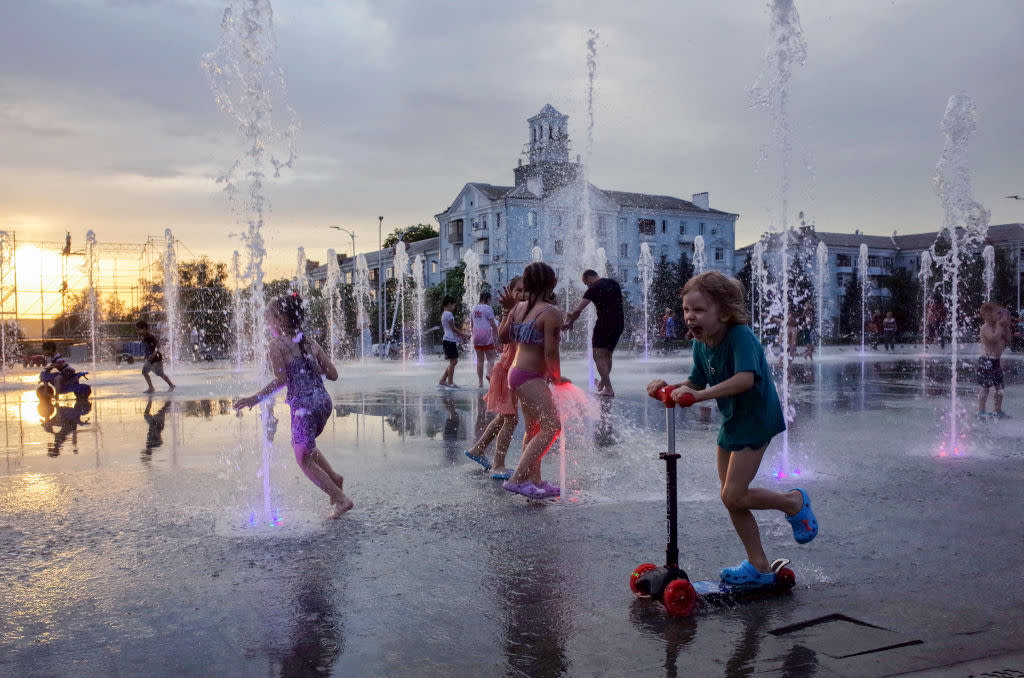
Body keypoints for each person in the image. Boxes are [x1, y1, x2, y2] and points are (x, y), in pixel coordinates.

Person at [646, 271, 817, 590]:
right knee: (731, 498)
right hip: (732, 419)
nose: (689, 316)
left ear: (723, 312)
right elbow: (696, 380)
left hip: (755, 419)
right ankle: (759, 565)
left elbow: (745, 380)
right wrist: (668, 387)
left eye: (698, 310)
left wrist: (699, 396)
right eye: (686, 310)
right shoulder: (701, 343)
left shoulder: (740, 337)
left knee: (733, 493)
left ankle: (792, 502)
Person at [234, 293, 353, 518]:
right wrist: (314, 370)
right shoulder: (309, 342)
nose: (266, 324)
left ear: (279, 319)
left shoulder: (276, 345)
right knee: (305, 445)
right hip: (323, 404)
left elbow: (281, 381)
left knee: (303, 459)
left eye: (267, 318)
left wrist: (254, 399)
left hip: (303, 408)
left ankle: (341, 499)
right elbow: (333, 374)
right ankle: (334, 478)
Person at [498, 262, 567, 499]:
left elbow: (502, 337)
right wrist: (557, 378)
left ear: (525, 284)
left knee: (534, 428)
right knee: (552, 427)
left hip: (516, 373)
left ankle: (534, 481)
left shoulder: (519, 308)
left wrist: (508, 311)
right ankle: (517, 479)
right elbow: (550, 353)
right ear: (553, 283)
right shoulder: (551, 312)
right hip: (530, 377)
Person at [465, 277, 526, 480]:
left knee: (503, 417)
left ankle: (477, 449)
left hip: (510, 369)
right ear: (510, 292)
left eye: (527, 290)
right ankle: (498, 465)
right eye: (518, 290)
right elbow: (504, 337)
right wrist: (509, 311)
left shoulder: (523, 311)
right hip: (507, 371)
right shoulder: (513, 312)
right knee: (511, 419)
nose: (523, 294)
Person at [564, 269, 624, 397]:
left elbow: (578, 310)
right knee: (607, 355)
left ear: (589, 278)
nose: (587, 286)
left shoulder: (593, 289)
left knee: (598, 356)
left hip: (604, 324)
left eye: (586, 283)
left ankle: (608, 388)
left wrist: (570, 322)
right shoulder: (613, 283)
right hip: (619, 324)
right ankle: (603, 382)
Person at [977, 301, 1011, 419]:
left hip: (996, 362)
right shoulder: (985, 328)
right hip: (986, 361)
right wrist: (1000, 326)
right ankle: (981, 411)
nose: (1000, 315)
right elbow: (993, 338)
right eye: (998, 313)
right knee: (985, 387)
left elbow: (1008, 340)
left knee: (999, 387)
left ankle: (998, 410)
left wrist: (1006, 327)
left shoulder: (997, 327)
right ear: (987, 315)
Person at [438, 296, 470, 389]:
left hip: (448, 340)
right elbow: (454, 329)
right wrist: (465, 335)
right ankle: (450, 382)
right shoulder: (449, 314)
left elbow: (452, 330)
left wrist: (460, 337)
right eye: (453, 305)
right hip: (449, 340)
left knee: (453, 361)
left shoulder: (444, 314)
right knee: (453, 361)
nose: (454, 307)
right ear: (449, 304)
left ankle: (443, 380)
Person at [136, 321, 175, 393]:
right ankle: (151, 388)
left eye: (139, 329)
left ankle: (171, 385)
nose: (138, 331)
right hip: (150, 359)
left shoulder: (149, 336)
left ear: (144, 328)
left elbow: (158, 344)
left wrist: (154, 353)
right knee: (144, 372)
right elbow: (147, 347)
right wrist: (146, 355)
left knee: (160, 374)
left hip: (156, 358)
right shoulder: (144, 336)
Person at [471, 290, 500, 388]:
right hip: (486, 335)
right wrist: (498, 333)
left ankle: (480, 383)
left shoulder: (474, 308)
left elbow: (472, 324)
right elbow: (492, 323)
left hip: (476, 335)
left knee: (479, 360)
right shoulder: (488, 308)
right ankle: (488, 373)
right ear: (488, 299)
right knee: (491, 358)